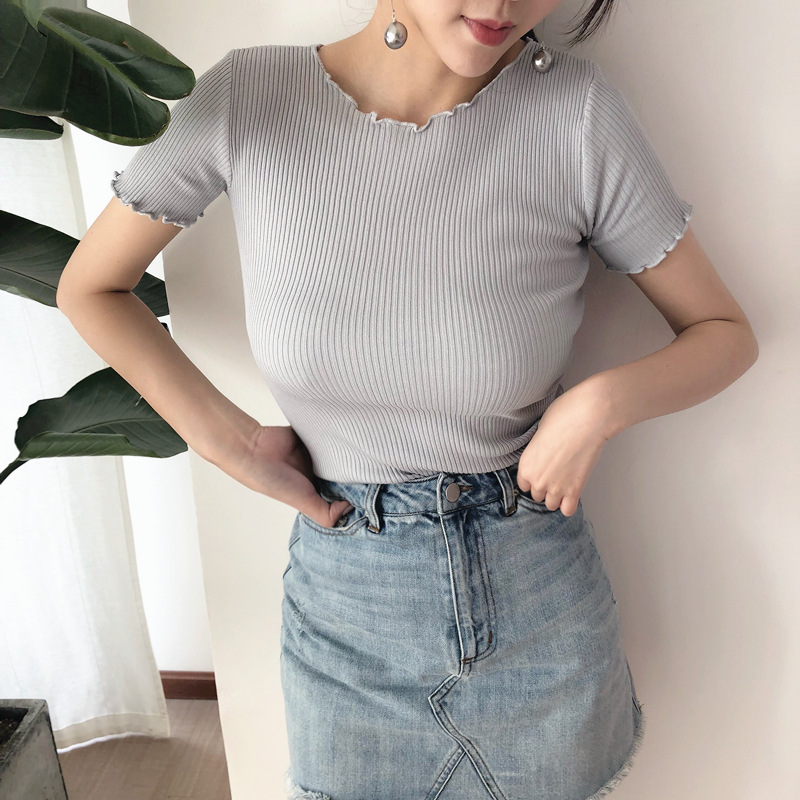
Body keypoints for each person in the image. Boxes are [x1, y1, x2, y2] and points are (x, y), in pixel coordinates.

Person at [56, 0, 758, 798]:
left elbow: (723, 332)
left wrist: (598, 404)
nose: (503, 6)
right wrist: (231, 443)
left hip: (538, 600)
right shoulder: (250, 97)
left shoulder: (577, 114)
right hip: (347, 614)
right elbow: (91, 286)